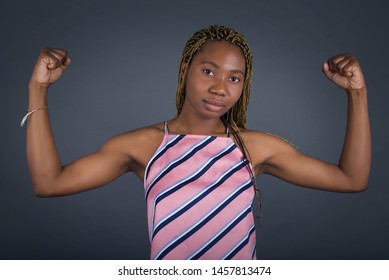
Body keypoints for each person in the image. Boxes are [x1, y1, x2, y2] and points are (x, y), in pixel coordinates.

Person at [24, 25, 371, 260]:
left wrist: (357, 94)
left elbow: (351, 179)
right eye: (209, 71)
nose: (220, 87)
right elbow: (49, 183)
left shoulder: (254, 148)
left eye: (234, 78)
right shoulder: (144, 145)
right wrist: (38, 88)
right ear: (184, 68)